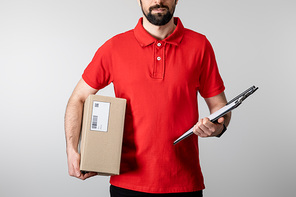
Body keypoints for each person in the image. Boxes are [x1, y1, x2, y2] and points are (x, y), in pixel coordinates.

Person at [64, 0, 231, 196]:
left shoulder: (200, 45)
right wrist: (71, 150)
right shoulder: (114, 47)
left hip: (184, 182)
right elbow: (78, 98)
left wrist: (216, 127)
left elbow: (220, 107)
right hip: (126, 182)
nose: (158, 1)